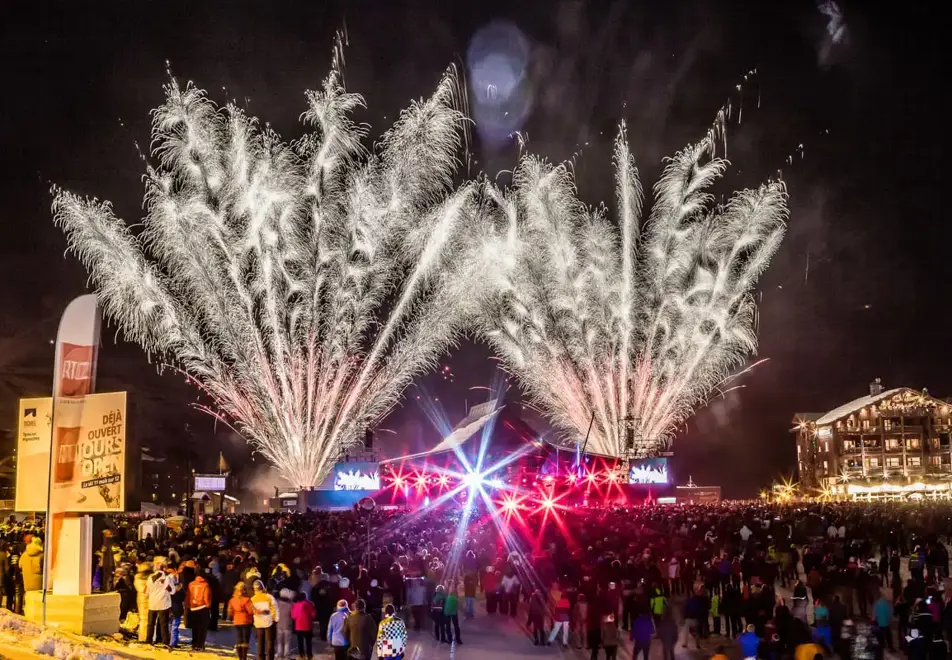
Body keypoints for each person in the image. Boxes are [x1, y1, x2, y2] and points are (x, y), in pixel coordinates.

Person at [146, 558, 174, 646]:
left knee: (150, 623)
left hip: (152, 603)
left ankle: (149, 640)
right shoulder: (167, 578)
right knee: (164, 624)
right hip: (163, 604)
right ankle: (165, 642)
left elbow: (146, 592)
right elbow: (172, 591)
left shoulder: (150, 578)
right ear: (163, 568)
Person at [251, 580, 278, 660]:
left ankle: (260, 658)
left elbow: (252, 611)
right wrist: (275, 620)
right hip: (269, 623)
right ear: (263, 587)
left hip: (258, 623)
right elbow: (275, 609)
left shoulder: (253, 599)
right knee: (270, 642)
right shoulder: (269, 597)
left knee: (260, 643)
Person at [186, 569, 212, 651]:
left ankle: (194, 643)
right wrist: (208, 604)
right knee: (202, 627)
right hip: (202, 607)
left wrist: (188, 605)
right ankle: (200, 644)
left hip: (193, 607)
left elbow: (188, 596)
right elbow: (206, 597)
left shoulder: (191, 584)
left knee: (195, 627)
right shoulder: (205, 585)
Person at [228, 583, 254, 660]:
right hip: (246, 621)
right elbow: (250, 611)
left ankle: (240, 657)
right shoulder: (247, 600)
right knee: (245, 640)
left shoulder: (232, 600)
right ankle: (244, 657)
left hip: (237, 621)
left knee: (239, 639)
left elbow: (230, 611)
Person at [275, 588, 295, 660]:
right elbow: (293, 615)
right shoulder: (291, 604)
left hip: (279, 625)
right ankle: (286, 656)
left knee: (279, 642)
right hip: (288, 625)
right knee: (287, 642)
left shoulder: (277, 602)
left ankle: (279, 655)